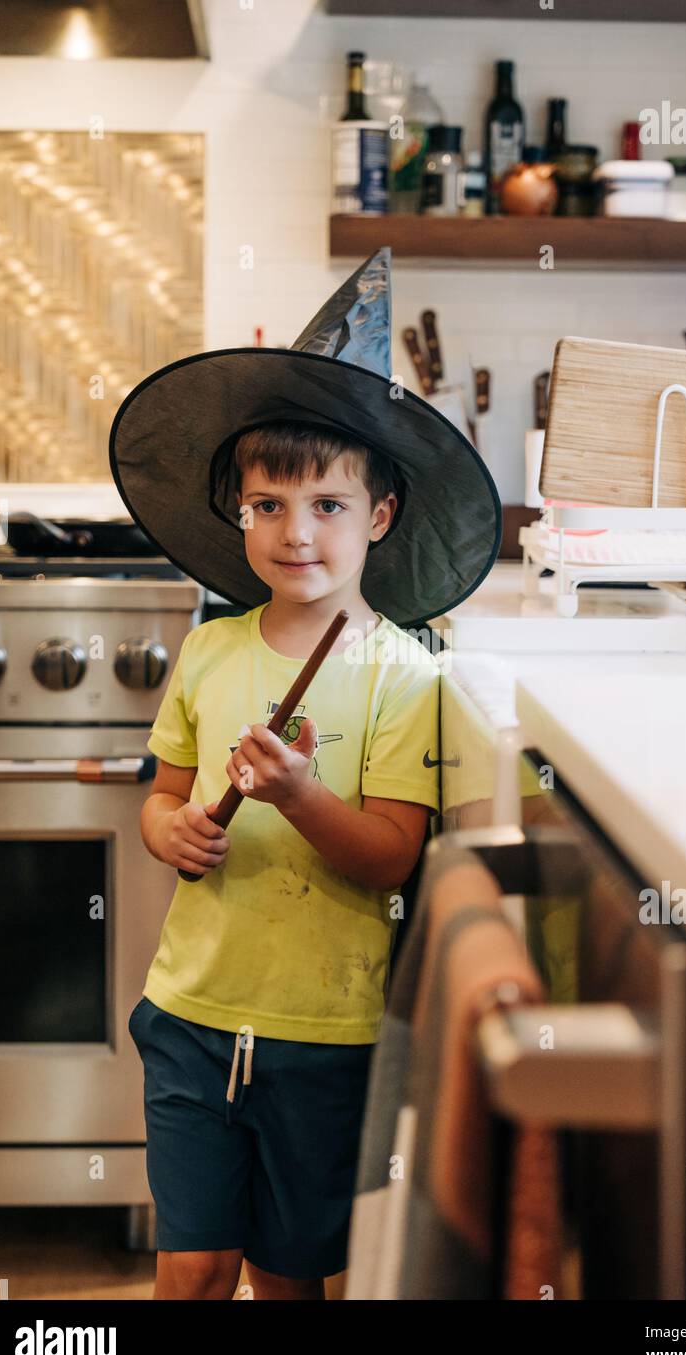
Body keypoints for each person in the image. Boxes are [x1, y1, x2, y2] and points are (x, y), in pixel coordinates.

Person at [109, 247, 501, 1300]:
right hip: (190, 1011)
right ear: (237, 511)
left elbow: (389, 856)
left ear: (378, 515)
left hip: (324, 1035)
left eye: (328, 504)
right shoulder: (210, 650)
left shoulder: (401, 674)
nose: (296, 532)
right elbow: (158, 797)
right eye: (269, 504)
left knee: (289, 1280)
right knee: (190, 1268)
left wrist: (296, 794)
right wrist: (169, 830)